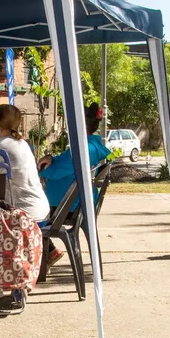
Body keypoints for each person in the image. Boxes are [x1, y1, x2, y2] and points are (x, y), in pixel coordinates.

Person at [37, 103, 112, 266]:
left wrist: (40, 167)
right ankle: (49, 252)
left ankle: (40, 258)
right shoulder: (89, 146)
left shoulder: (81, 149)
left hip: (66, 207)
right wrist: (51, 158)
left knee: (24, 213)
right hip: (76, 204)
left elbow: (53, 171)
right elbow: (61, 162)